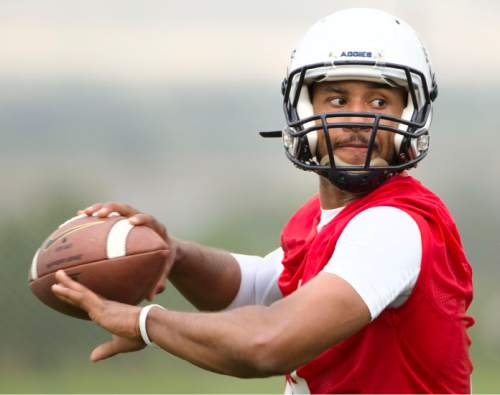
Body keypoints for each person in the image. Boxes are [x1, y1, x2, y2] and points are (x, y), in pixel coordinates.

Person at [51, 8, 474, 394]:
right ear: (305, 110)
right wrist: (174, 253)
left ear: (409, 117)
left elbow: (268, 342)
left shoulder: (393, 225)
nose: (357, 118)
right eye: (338, 99)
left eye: (379, 101)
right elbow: (257, 289)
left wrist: (145, 322)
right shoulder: (325, 220)